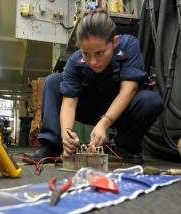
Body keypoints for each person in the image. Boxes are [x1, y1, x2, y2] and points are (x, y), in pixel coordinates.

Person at [25, 8, 163, 164]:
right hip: (88, 110)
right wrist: (66, 135)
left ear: (114, 42)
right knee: (52, 80)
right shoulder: (74, 62)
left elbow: (128, 90)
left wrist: (103, 124)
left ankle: (126, 147)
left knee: (151, 100)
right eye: (86, 54)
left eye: (99, 53)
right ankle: (53, 147)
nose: (93, 62)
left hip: (120, 110)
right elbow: (69, 105)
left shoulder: (128, 45)